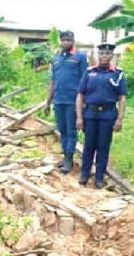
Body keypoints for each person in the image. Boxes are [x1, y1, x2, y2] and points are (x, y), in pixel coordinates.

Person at [75, 43, 127, 189]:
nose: (104, 56)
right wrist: (79, 117)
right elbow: (80, 95)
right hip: (90, 114)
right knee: (89, 146)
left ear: (112, 56)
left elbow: (122, 97)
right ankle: (84, 174)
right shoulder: (89, 72)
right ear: (98, 56)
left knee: (103, 147)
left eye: (107, 54)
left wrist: (119, 119)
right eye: (102, 54)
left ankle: (99, 177)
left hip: (108, 114)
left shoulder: (118, 74)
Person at [44, 30, 88, 174]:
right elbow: (53, 82)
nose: (65, 43)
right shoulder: (56, 59)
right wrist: (47, 102)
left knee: (71, 130)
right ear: (60, 41)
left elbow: (85, 80)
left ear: (73, 41)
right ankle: (65, 156)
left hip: (73, 101)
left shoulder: (80, 57)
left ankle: (69, 159)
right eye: (63, 40)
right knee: (62, 130)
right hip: (58, 101)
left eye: (68, 40)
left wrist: (84, 102)